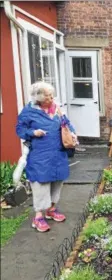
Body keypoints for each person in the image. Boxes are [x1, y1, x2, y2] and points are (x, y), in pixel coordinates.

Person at [16, 82, 77, 232]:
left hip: (58, 153)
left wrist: (73, 133)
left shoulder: (56, 108)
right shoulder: (29, 111)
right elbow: (20, 129)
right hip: (40, 155)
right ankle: (38, 217)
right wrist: (33, 133)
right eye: (48, 96)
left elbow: (66, 123)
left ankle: (51, 209)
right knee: (41, 183)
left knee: (57, 180)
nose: (51, 98)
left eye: (51, 95)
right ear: (39, 98)